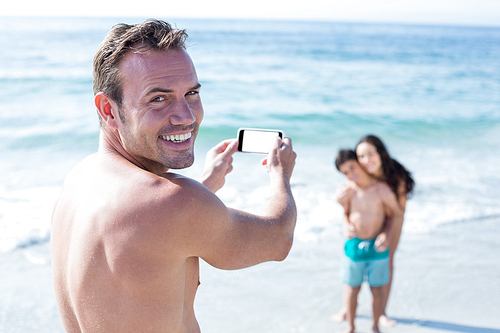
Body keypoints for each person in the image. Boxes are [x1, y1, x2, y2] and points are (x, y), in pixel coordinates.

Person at [50, 19, 297, 333]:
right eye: (158, 98)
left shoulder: (80, 179)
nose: (187, 116)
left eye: (191, 93)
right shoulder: (174, 204)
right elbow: (278, 239)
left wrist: (206, 185)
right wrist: (281, 175)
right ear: (109, 110)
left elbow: (145, 233)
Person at [333, 135, 414, 327]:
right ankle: (347, 309)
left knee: (387, 260)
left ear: (380, 153)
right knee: (353, 271)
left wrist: (386, 232)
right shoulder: (357, 178)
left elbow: (398, 212)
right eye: (361, 156)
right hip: (364, 227)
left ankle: (382, 312)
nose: (366, 160)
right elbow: (350, 208)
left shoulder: (395, 176)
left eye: (371, 154)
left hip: (394, 217)